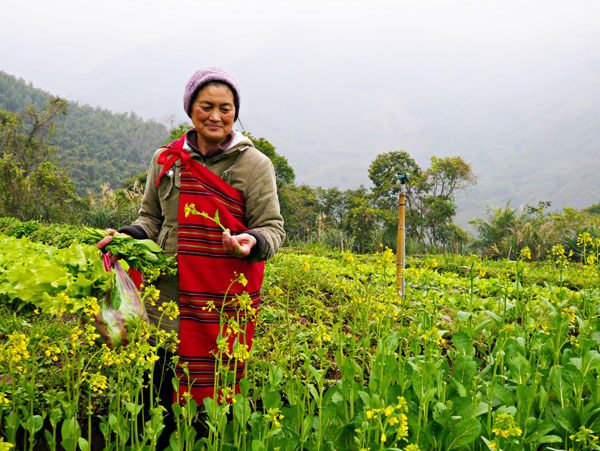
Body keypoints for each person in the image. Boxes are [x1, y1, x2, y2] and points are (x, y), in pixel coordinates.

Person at [98, 67, 285, 446]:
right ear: (190, 109)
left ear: (235, 113)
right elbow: (150, 219)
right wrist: (128, 237)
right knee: (161, 393)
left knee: (214, 397)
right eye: (206, 106)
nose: (216, 116)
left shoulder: (254, 165)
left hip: (223, 300)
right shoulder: (166, 159)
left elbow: (272, 228)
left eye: (226, 108)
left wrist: (251, 241)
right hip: (167, 299)